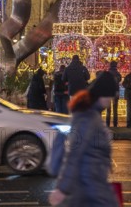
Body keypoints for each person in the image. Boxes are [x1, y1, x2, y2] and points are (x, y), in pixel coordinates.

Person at [48, 70, 119, 207]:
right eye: (110, 96)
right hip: (89, 186)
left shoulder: (90, 114)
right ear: (102, 95)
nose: (110, 101)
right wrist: (62, 189)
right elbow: (74, 154)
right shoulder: (88, 117)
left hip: (92, 183)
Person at [105, 61, 122, 127]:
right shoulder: (118, 74)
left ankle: (107, 124)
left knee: (108, 110)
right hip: (115, 93)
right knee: (115, 110)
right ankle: (115, 124)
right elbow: (119, 80)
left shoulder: (107, 73)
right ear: (116, 66)